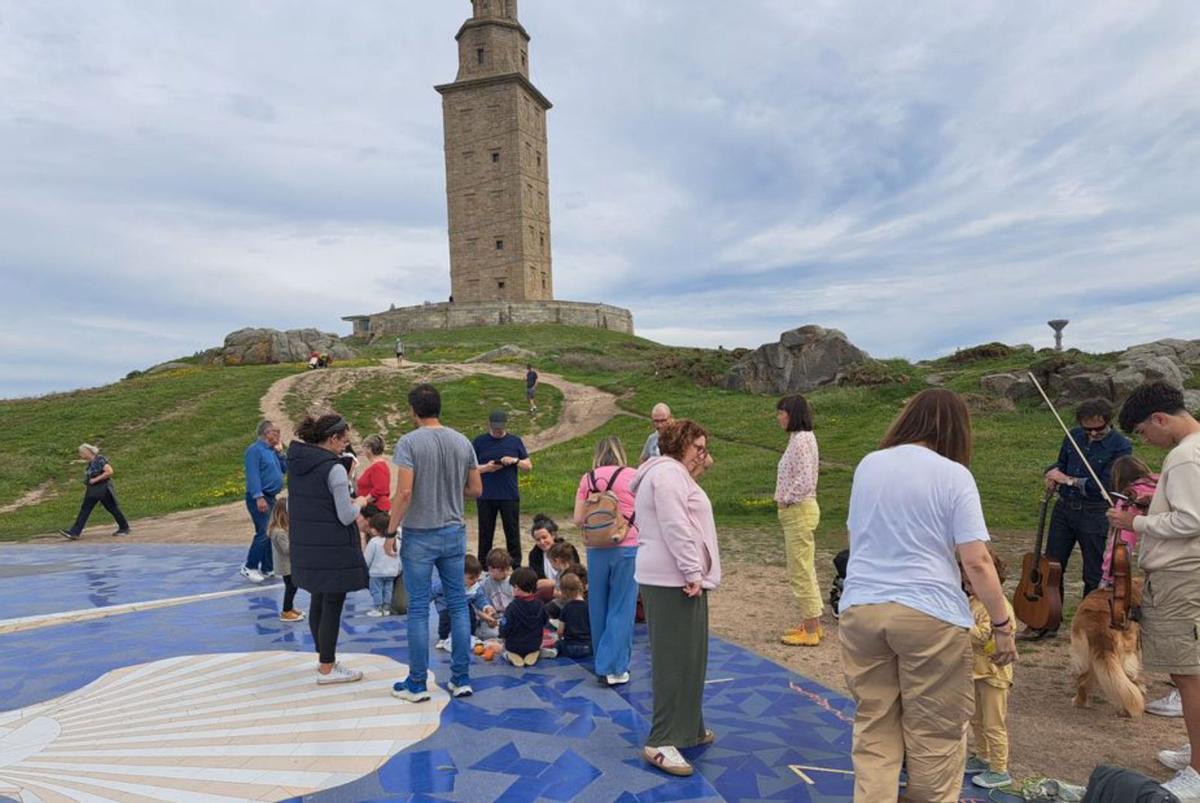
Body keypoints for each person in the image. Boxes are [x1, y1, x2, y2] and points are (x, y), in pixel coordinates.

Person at [839, 388, 1015, 803]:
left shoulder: (868, 465)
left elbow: (855, 537)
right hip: (929, 614)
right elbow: (976, 561)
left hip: (862, 609)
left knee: (875, 728)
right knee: (934, 735)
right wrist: (1002, 623)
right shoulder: (954, 475)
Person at [1107, 381, 1200, 799]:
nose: (1146, 440)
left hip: (1183, 576)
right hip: (1190, 573)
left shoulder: (1182, 457)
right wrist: (1152, 508)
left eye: (1145, 432)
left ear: (1160, 419)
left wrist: (1136, 523)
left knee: (1189, 675)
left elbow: (1192, 521)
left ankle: (1199, 772)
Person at [630, 419, 721, 778]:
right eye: (697, 447)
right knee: (673, 661)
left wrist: (698, 463)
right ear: (679, 445)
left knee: (691, 657)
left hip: (678, 577)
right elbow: (675, 524)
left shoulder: (672, 474)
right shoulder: (667, 474)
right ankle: (661, 740)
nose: (704, 455)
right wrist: (692, 571)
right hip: (673, 579)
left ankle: (690, 727)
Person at [389, 383, 483, 703]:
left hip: (419, 532)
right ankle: (460, 679)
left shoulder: (409, 443)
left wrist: (390, 531)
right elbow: (476, 489)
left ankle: (417, 683)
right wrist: (449, 488)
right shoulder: (462, 441)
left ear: (414, 411)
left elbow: (404, 493)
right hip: (453, 530)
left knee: (417, 608)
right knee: (457, 604)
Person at [1024, 399, 1132, 639]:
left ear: (1108, 422)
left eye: (1099, 429)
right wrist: (1052, 474)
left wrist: (1068, 480)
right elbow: (1060, 464)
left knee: (1093, 573)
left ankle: (1088, 628)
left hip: (1095, 513)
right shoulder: (1073, 436)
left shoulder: (1121, 446)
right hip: (1064, 510)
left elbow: (1106, 484)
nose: (1093, 434)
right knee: (1051, 567)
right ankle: (1046, 620)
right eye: (1088, 430)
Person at [288, 414, 372, 684]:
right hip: (333, 546)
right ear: (333, 438)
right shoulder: (333, 469)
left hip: (308, 543)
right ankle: (327, 667)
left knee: (317, 599)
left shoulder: (299, 463)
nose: (345, 446)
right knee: (333, 603)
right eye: (344, 440)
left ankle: (324, 658)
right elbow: (346, 516)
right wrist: (359, 501)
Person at [573, 435, 639, 686]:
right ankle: (616, 666)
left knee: (597, 606)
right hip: (627, 545)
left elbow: (578, 519)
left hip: (595, 547)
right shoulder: (632, 476)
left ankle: (602, 662)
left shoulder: (587, 479)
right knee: (622, 606)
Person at [963, 547, 1017, 791]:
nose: (967, 587)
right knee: (976, 719)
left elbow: (984, 637)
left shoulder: (997, 607)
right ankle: (982, 756)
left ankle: (999, 769)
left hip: (994, 675)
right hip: (976, 671)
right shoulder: (973, 601)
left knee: (994, 723)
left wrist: (962, 623)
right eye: (965, 582)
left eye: (971, 582)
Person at [774, 394, 823, 647]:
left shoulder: (802, 440)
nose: (779, 417)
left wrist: (786, 499)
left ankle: (811, 630)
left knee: (800, 571)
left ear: (792, 413)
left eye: (781, 412)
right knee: (805, 567)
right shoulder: (800, 438)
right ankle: (812, 621)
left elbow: (804, 479)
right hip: (798, 510)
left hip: (798, 510)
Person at [473, 410, 532, 567]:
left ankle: (515, 566)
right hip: (486, 495)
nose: (497, 430)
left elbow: (528, 466)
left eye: (500, 427)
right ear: (489, 425)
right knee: (485, 534)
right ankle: (484, 567)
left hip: (508, 494)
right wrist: (486, 467)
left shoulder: (514, 441)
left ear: (505, 424)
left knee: (512, 533)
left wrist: (514, 460)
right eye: (494, 427)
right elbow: (470, 468)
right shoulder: (479, 442)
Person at [1100, 455, 1158, 589]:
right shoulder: (1163, 486)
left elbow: (1121, 543)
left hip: (1151, 565)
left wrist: (1107, 576)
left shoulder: (1128, 498)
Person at [241, 420, 287, 583]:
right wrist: (258, 497)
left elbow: (285, 468)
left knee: (272, 531)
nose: (279, 435)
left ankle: (268, 567)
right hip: (259, 497)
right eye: (276, 432)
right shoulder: (254, 450)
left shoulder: (272, 450)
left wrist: (281, 453)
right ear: (267, 433)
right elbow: (253, 475)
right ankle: (249, 566)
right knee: (264, 531)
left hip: (271, 497)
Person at [59, 443, 131, 540]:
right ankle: (74, 532)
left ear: (88, 452)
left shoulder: (99, 460)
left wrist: (95, 479)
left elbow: (109, 471)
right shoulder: (91, 463)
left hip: (102, 489)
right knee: (88, 509)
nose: (80, 455)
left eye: (81, 452)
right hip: (94, 490)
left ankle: (124, 527)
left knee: (111, 508)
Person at [434, 554, 486, 651]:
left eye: (477, 578)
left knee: (471, 615)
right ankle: (443, 637)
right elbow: (433, 591)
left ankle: (471, 635)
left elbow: (480, 597)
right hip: (447, 605)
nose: (475, 581)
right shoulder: (446, 582)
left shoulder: (474, 586)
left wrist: (486, 606)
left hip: (464, 604)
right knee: (445, 618)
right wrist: (423, 602)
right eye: (471, 578)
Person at [501, 566, 548, 667]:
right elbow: (545, 621)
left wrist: (501, 635)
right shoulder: (541, 604)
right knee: (534, 645)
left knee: (503, 649)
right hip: (534, 643)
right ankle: (534, 652)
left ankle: (510, 655)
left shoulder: (512, 607)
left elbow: (505, 627)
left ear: (517, 587)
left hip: (514, 645)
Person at [268, 497, 304, 623]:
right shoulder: (279, 532)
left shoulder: (283, 530)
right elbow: (287, 549)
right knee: (291, 587)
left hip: (289, 565)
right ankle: (286, 611)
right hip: (286, 566)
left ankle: (290, 607)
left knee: (292, 587)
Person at [363, 512, 400, 617]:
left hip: (376, 573)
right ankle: (386, 608)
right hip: (391, 572)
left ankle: (378, 608)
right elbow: (399, 557)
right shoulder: (395, 540)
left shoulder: (374, 541)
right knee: (388, 590)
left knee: (377, 590)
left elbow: (367, 558)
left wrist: (365, 568)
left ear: (376, 529)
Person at [556, 572, 593, 659]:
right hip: (588, 647)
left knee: (558, 644)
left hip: (569, 647)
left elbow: (560, 631)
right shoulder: (588, 607)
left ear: (564, 592)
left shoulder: (566, 608)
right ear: (580, 587)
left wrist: (559, 638)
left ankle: (555, 650)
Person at [357, 435, 392, 514]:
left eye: (364, 447)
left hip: (376, 508)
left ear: (369, 449)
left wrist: (362, 501)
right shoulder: (376, 466)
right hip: (371, 507)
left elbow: (380, 490)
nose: (363, 450)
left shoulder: (378, 467)